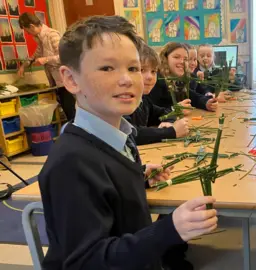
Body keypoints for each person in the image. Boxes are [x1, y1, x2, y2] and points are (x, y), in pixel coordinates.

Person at [39, 15, 217, 270]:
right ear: (70, 79)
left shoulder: (118, 137)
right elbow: (86, 262)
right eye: (107, 68)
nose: (127, 79)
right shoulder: (71, 164)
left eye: (133, 68)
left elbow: (107, 194)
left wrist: (137, 178)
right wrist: (169, 230)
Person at [125, 40, 189, 145]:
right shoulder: (125, 102)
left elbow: (164, 112)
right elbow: (131, 133)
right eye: (142, 70)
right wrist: (170, 132)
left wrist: (169, 122)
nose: (150, 77)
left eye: (153, 71)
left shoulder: (143, 100)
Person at [17, 12, 76, 121]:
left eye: (27, 31)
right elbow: (35, 55)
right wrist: (24, 66)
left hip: (65, 81)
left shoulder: (52, 35)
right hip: (57, 83)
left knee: (71, 114)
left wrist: (45, 60)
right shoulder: (41, 39)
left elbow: (63, 57)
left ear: (32, 27)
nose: (28, 34)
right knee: (68, 114)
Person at [148, 42, 218, 117]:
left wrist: (206, 103)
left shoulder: (178, 79)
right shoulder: (156, 79)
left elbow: (193, 96)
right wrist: (174, 110)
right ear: (165, 58)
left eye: (185, 59)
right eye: (176, 57)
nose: (182, 62)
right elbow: (149, 113)